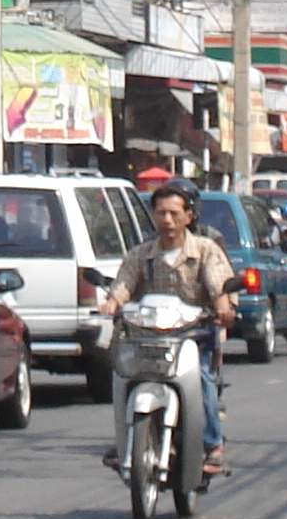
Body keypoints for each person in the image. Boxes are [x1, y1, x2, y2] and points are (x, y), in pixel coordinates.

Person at [101, 184, 240, 476]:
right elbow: (124, 283)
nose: (167, 219)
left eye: (174, 213)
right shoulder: (141, 254)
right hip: (148, 337)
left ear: (188, 216)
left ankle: (213, 445)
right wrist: (113, 302)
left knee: (203, 379)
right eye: (161, 212)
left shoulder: (205, 250)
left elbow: (218, 286)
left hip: (193, 336)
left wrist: (224, 308)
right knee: (123, 373)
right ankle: (124, 440)